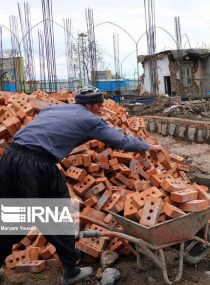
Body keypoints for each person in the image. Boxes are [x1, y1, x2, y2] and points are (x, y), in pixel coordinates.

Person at [0, 86, 161, 285]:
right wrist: (148, 146)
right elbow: (121, 142)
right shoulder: (91, 120)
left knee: (13, 216)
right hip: (37, 165)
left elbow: (47, 126)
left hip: (10, 157)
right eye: (99, 106)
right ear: (90, 106)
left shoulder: (54, 109)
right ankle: (70, 271)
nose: (102, 109)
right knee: (58, 215)